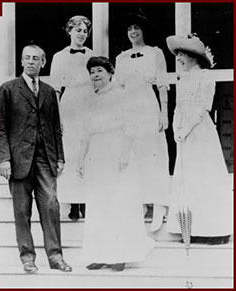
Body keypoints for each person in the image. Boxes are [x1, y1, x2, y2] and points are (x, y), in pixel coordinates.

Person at [0, 44, 72, 273]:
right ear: (21, 61)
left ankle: (56, 257)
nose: (31, 62)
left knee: (50, 206)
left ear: (43, 62)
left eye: (36, 58)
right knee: (22, 210)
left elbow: (56, 127)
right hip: (18, 160)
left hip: (45, 157)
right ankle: (27, 258)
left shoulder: (48, 91)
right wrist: (3, 159)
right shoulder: (8, 89)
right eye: (27, 58)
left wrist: (60, 157)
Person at [77, 56, 154, 272]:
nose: (95, 75)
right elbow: (85, 132)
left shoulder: (122, 95)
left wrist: (125, 154)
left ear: (110, 73)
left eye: (99, 70)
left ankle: (121, 254)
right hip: (97, 155)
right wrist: (81, 158)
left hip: (117, 151)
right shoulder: (90, 100)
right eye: (92, 72)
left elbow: (130, 126)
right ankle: (101, 254)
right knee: (99, 204)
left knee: (118, 203)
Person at [166, 34, 232, 244]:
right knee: (188, 180)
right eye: (177, 56)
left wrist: (185, 129)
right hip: (185, 135)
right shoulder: (183, 79)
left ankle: (214, 230)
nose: (179, 60)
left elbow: (202, 108)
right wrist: (177, 128)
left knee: (205, 178)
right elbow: (178, 107)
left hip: (200, 132)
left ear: (192, 56)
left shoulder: (205, 77)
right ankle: (190, 230)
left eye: (181, 55)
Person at [115, 13, 170, 232]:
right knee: (133, 156)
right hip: (128, 110)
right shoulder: (121, 58)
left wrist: (164, 112)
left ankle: (159, 204)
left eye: (136, 27)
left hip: (148, 107)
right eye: (129, 28)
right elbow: (118, 88)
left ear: (144, 30)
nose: (133, 32)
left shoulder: (155, 53)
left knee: (153, 154)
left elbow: (163, 84)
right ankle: (141, 203)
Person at [50, 15, 94, 221]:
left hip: (89, 103)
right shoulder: (59, 56)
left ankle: (86, 200)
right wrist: (58, 116)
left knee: (87, 151)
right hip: (69, 105)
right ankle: (72, 202)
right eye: (78, 30)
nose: (82, 34)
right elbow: (56, 89)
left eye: (85, 31)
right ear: (69, 31)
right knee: (69, 151)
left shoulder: (92, 55)